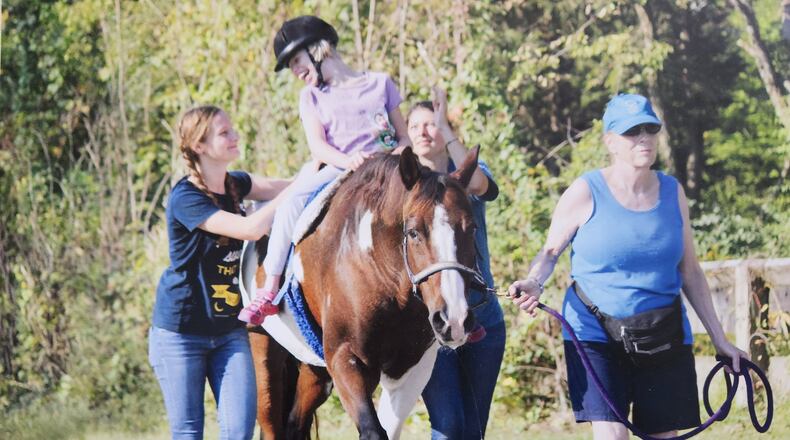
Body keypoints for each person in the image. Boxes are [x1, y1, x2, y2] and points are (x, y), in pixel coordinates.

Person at [508, 94, 747, 440]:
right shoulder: (585, 191)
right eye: (632, 131)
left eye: (650, 129)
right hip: (594, 330)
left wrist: (719, 338)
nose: (644, 138)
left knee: (663, 435)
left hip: (662, 331)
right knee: (613, 435)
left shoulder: (672, 192)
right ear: (610, 142)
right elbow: (549, 253)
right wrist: (533, 282)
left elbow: (690, 271)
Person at [239, 15, 410, 325]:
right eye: (290, 65)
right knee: (292, 203)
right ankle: (270, 288)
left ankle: (465, 294)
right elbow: (318, 147)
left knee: (438, 207)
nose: (294, 70)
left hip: (389, 171)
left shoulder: (380, 83)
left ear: (319, 50)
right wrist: (350, 161)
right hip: (340, 169)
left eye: (296, 60)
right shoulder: (311, 97)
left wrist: (394, 157)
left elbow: (404, 136)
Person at [149, 105, 292, 439]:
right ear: (199, 146)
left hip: (229, 332)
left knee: (239, 432)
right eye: (224, 132)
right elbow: (250, 228)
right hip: (180, 333)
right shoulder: (185, 197)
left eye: (232, 130)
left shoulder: (234, 185)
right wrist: (291, 196)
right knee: (188, 432)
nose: (235, 136)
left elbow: (281, 186)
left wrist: (323, 174)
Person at [409, 87, 506, 439]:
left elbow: (480, 183)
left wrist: (447, 127)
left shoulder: (466, 176)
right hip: (432, 322)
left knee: (473, 429)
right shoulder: (407, 188)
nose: (423, 131)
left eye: (430, 124)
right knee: (448, 425)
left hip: (484, 314)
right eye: (414, 125)